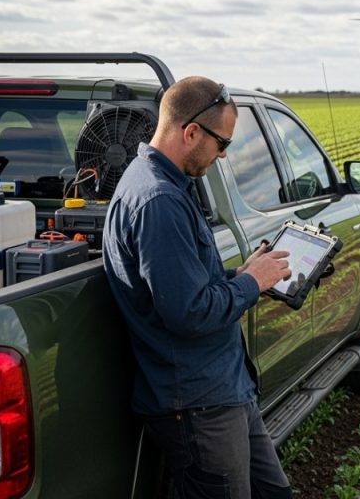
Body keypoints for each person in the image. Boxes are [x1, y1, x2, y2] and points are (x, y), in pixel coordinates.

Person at [104, 76, 295, 498]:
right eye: (222, 143)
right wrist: (249, 283)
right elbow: (188, 313)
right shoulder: (158, 201)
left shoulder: (170, 186)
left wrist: (241, 275)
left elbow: (185, 287)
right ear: (191, 132)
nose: (224, 155)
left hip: (223, 388)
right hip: (197, 404)